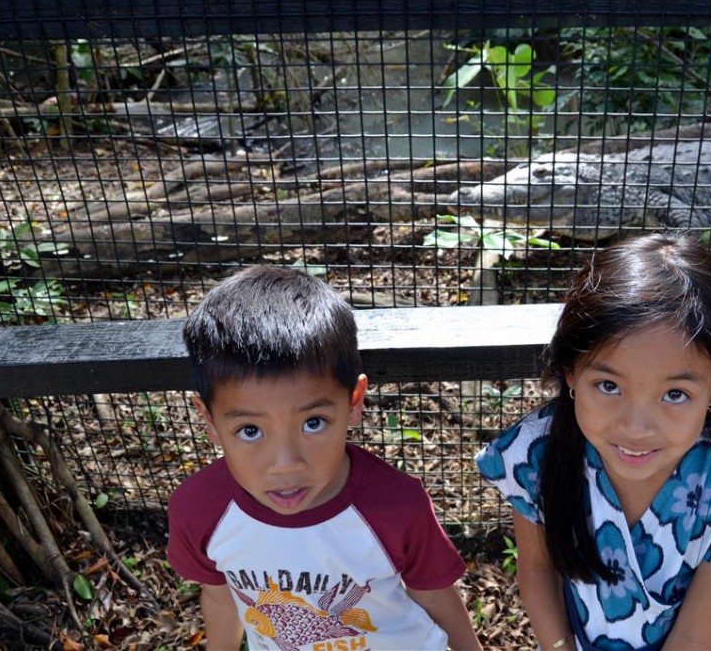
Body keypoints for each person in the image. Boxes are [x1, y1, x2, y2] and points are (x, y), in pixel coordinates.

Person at [476, 232, 711, 650]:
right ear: (571, 372)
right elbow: (538, 571)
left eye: (675, 394)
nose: (636, 427)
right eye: (609, 385)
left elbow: (694, 636)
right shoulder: (536, 453)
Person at [168, 265, 482, 651]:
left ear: (353, 402)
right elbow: (220, 596)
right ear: (209, 419)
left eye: (313, 422)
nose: (285, 464)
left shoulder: (398, 504)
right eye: (250, 431)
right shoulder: (198, 509)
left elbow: (436, 596)